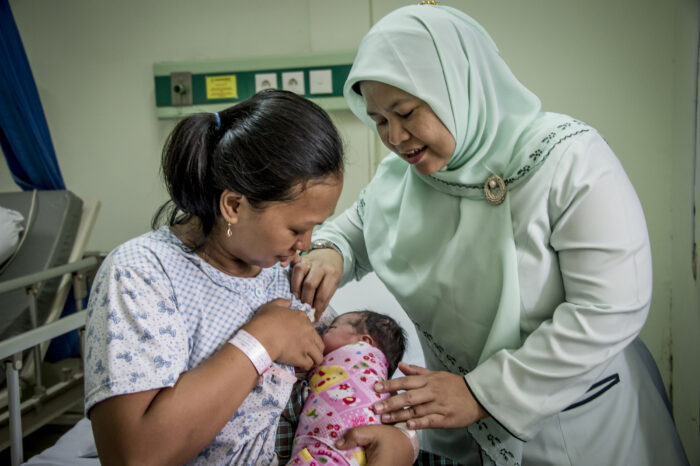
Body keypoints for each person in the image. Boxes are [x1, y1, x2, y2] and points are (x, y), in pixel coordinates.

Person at [291, 4, 689, 465]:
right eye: (379, 121)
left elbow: (609, 310)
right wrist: (331, 250)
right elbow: (357, 226)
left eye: (406, 112)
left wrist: (481, 393)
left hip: (573, 425)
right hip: (457, 427)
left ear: (458, 87)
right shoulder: (401, 177)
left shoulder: (569, 161)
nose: (396, 138)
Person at [84, 89, 345, 465]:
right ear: (234, 205)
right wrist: (263, 339)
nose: (305, 244)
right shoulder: (141, 273)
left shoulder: (283, 271)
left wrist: (402, 437)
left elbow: (352, 362)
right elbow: (134, 455)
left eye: (314, 228)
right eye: (295, 229)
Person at [287, 310, 415, 465]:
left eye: (331, 329)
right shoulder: (382, 386)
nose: (322, 335)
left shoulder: (357, 357)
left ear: (364, 341)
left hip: (330, 449)